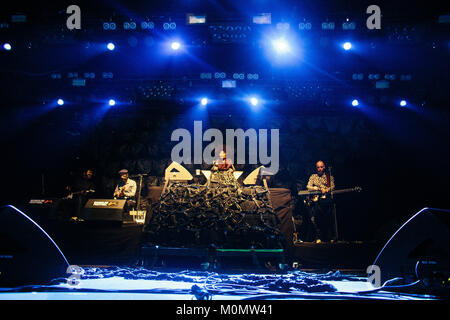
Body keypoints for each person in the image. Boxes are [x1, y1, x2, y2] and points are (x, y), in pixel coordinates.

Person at [306, 160, 336, 243]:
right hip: (316, 201)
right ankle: (318, 237)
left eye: (321, 167)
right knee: (315, 219)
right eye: (318, 167)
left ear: (324, 167)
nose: (319, 169)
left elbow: (333, 186)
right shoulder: (313, 176)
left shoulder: (329, 177)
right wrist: (317, 189)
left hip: (326, 201)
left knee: (328, 219)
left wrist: (326, 190)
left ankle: (329, 237)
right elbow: (308, 186)